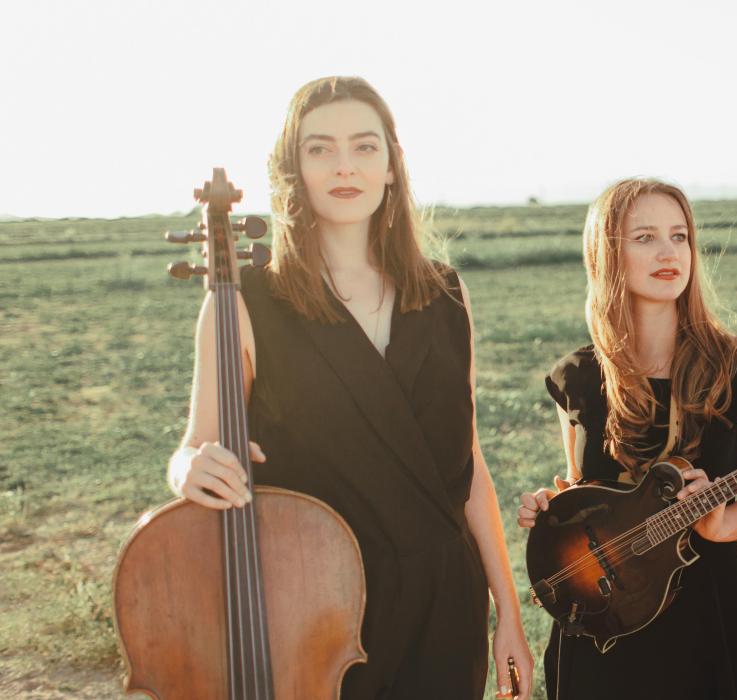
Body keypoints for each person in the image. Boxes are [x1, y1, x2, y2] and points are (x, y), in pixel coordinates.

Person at [166, 76, 532, 699]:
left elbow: (467, 463)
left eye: (364, 147)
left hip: (448, 602)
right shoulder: (242, 306)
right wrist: (187, 470)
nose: (344, 166)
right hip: (316, 609)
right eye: (320, 149)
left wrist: (509, 615)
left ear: (392, 166)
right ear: (293, 168)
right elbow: (193, 449)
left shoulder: (446, 294)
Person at [515, 178, 737, 699]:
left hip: (710, 613)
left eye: (680, 236)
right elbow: (584, 489)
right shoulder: (578, 378)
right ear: (607, 254)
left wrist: (721, 521)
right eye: (644, 238)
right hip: (606, 619)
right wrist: (553, 507)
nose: (669, 252)